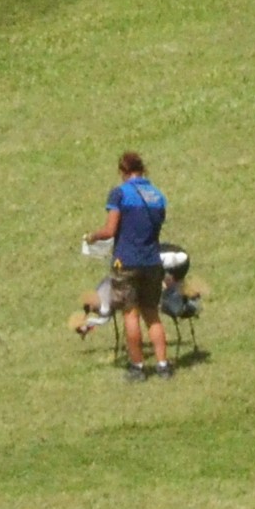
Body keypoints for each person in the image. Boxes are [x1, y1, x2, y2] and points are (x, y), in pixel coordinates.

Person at [93, 150, 173, 381]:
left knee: (130, 314)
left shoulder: (120, 194)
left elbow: (110, 230)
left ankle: (137, 367)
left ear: (123, 171)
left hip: (126, 261)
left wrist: (92, 236)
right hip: (152, 261)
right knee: (152, 314)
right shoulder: (157, 196)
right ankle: (163, 364)